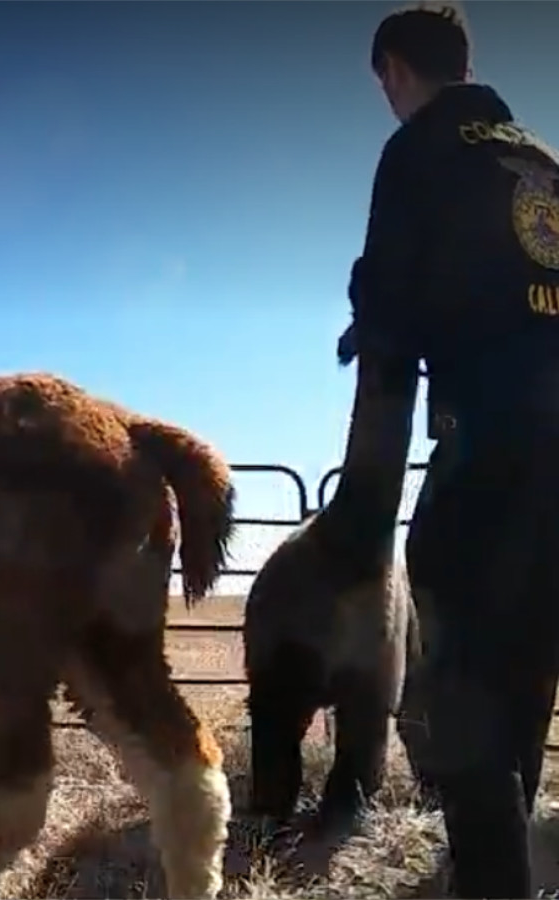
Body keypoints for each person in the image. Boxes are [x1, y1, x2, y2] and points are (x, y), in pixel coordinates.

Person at [340, 4, 559, 896]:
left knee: (450, 681)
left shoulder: (421, 148)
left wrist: (366, 512)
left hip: (491, 442)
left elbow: (388, 315)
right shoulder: (539, 158)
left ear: (393, 69)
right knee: (529, 655)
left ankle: (491, 880)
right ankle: (501, 862)